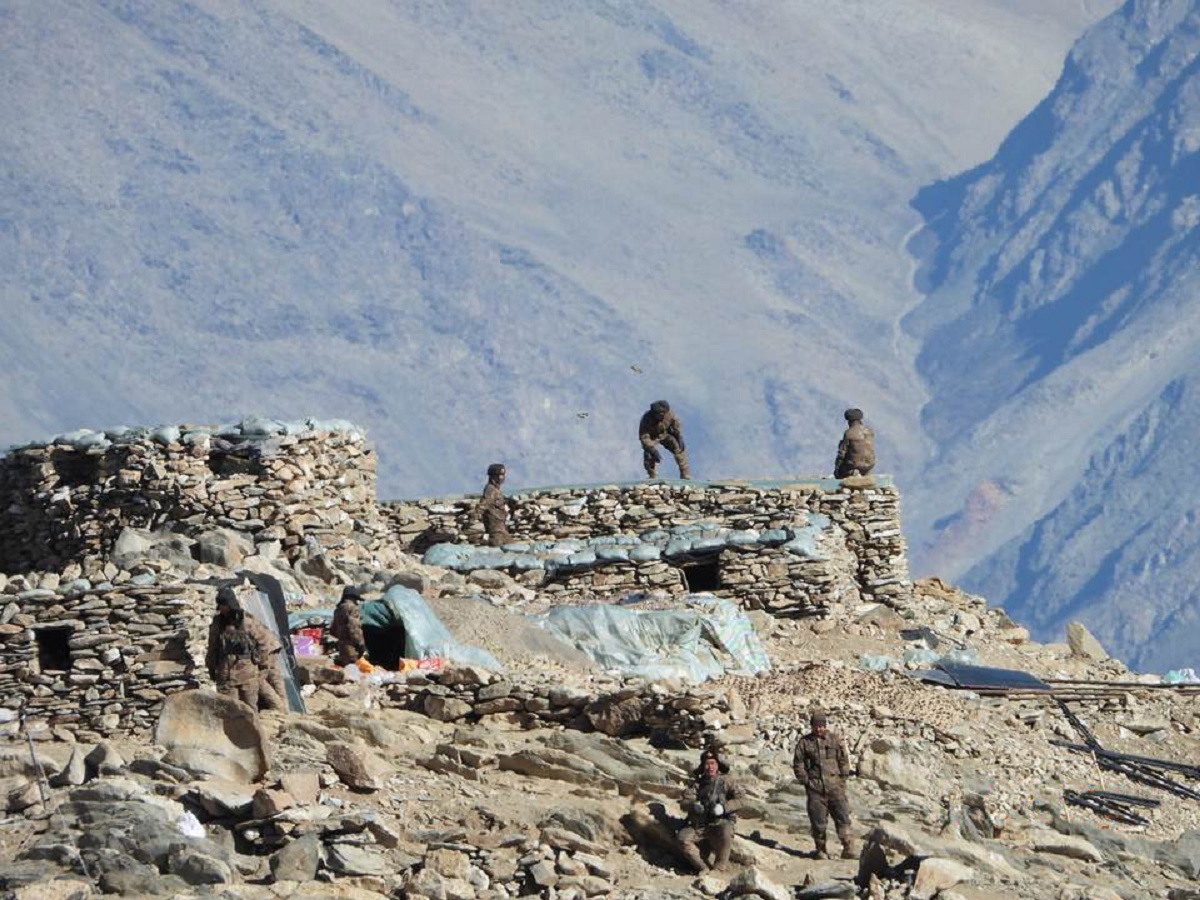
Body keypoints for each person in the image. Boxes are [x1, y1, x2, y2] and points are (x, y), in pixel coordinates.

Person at [794, 709, 856, 859]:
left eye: (821, 726)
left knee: (843, 818)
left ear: (825, 725)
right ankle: (821, 850)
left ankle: (848, 848)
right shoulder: (804, 743)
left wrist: (842, 780)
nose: (818, 729)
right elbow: (798, 764)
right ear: (811, 726)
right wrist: (806, 782)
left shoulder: (834, 739)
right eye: (816, 726)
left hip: (836, 788)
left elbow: (843, 760)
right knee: (818, 822)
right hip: (815, 790)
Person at [205, 586, 274, 710]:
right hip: (225, 675)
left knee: (250, 709)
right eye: (220, 606)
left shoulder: (247, 621)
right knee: (228, 710)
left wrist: (262, 664)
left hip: (247, 673)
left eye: (223, 605)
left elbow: (264, 642)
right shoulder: (218, 623)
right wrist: (211, 666)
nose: (221, 609)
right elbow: (213, 646)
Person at [676, 745, 741, 872]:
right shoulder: (697, 784)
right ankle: (703, 868)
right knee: (682, 839)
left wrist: (724, 808)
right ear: (702, 766)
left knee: (727, 832)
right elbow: (684, 802)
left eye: (713, 763)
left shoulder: (727, 781)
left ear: (717, 765)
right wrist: (693, 806)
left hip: (720, 823)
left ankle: (720, 867)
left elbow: (742, 800)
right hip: (699, 825)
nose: (710, 767)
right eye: (707, 764)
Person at [242, 608, 287, 711]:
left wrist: (260, 660)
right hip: (272, 644)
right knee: (276, 678)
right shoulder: (244, 616)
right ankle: (284, 707)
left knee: (259, 679)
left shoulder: (240, 621)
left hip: (265, 648)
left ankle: (278, 707)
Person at [639, 400, 690, 480]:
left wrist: (679, 436)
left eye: (664, 413)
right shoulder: (646, 419)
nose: (662, 415)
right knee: (648, 454)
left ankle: (685, 475)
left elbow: (676, 424)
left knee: (678, 449)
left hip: (665, 434)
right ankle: (652, 476)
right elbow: (644, 437)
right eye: (659, 414)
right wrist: (651, 449)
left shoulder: (669, 414)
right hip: (652, 438)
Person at [475, 463, 512, 547]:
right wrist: (474, 516)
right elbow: (484, 504)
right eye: (500, 475)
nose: (502, 477)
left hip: (501, 527)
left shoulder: (496, 490)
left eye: (503, 475)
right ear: (493, 476)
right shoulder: (490, 489)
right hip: (495, 529)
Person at [330, 585, 366, 666]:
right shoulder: (352, 608)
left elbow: (332, 630)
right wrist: (361, 644)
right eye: (356, 600)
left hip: (342, 651)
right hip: (353, 650)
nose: (357, 602)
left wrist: (343, 638)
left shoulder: (338, 610)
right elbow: (354, 628)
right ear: (353, 598)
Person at [834, 408, 875, 479]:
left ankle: (852, 472)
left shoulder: (849, 433)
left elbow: (842, 453)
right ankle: (865, 473)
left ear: (849, 421)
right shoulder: (869, 431)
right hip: (870, 464)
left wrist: (837, 468)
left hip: (855, 465)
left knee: (840, 472)